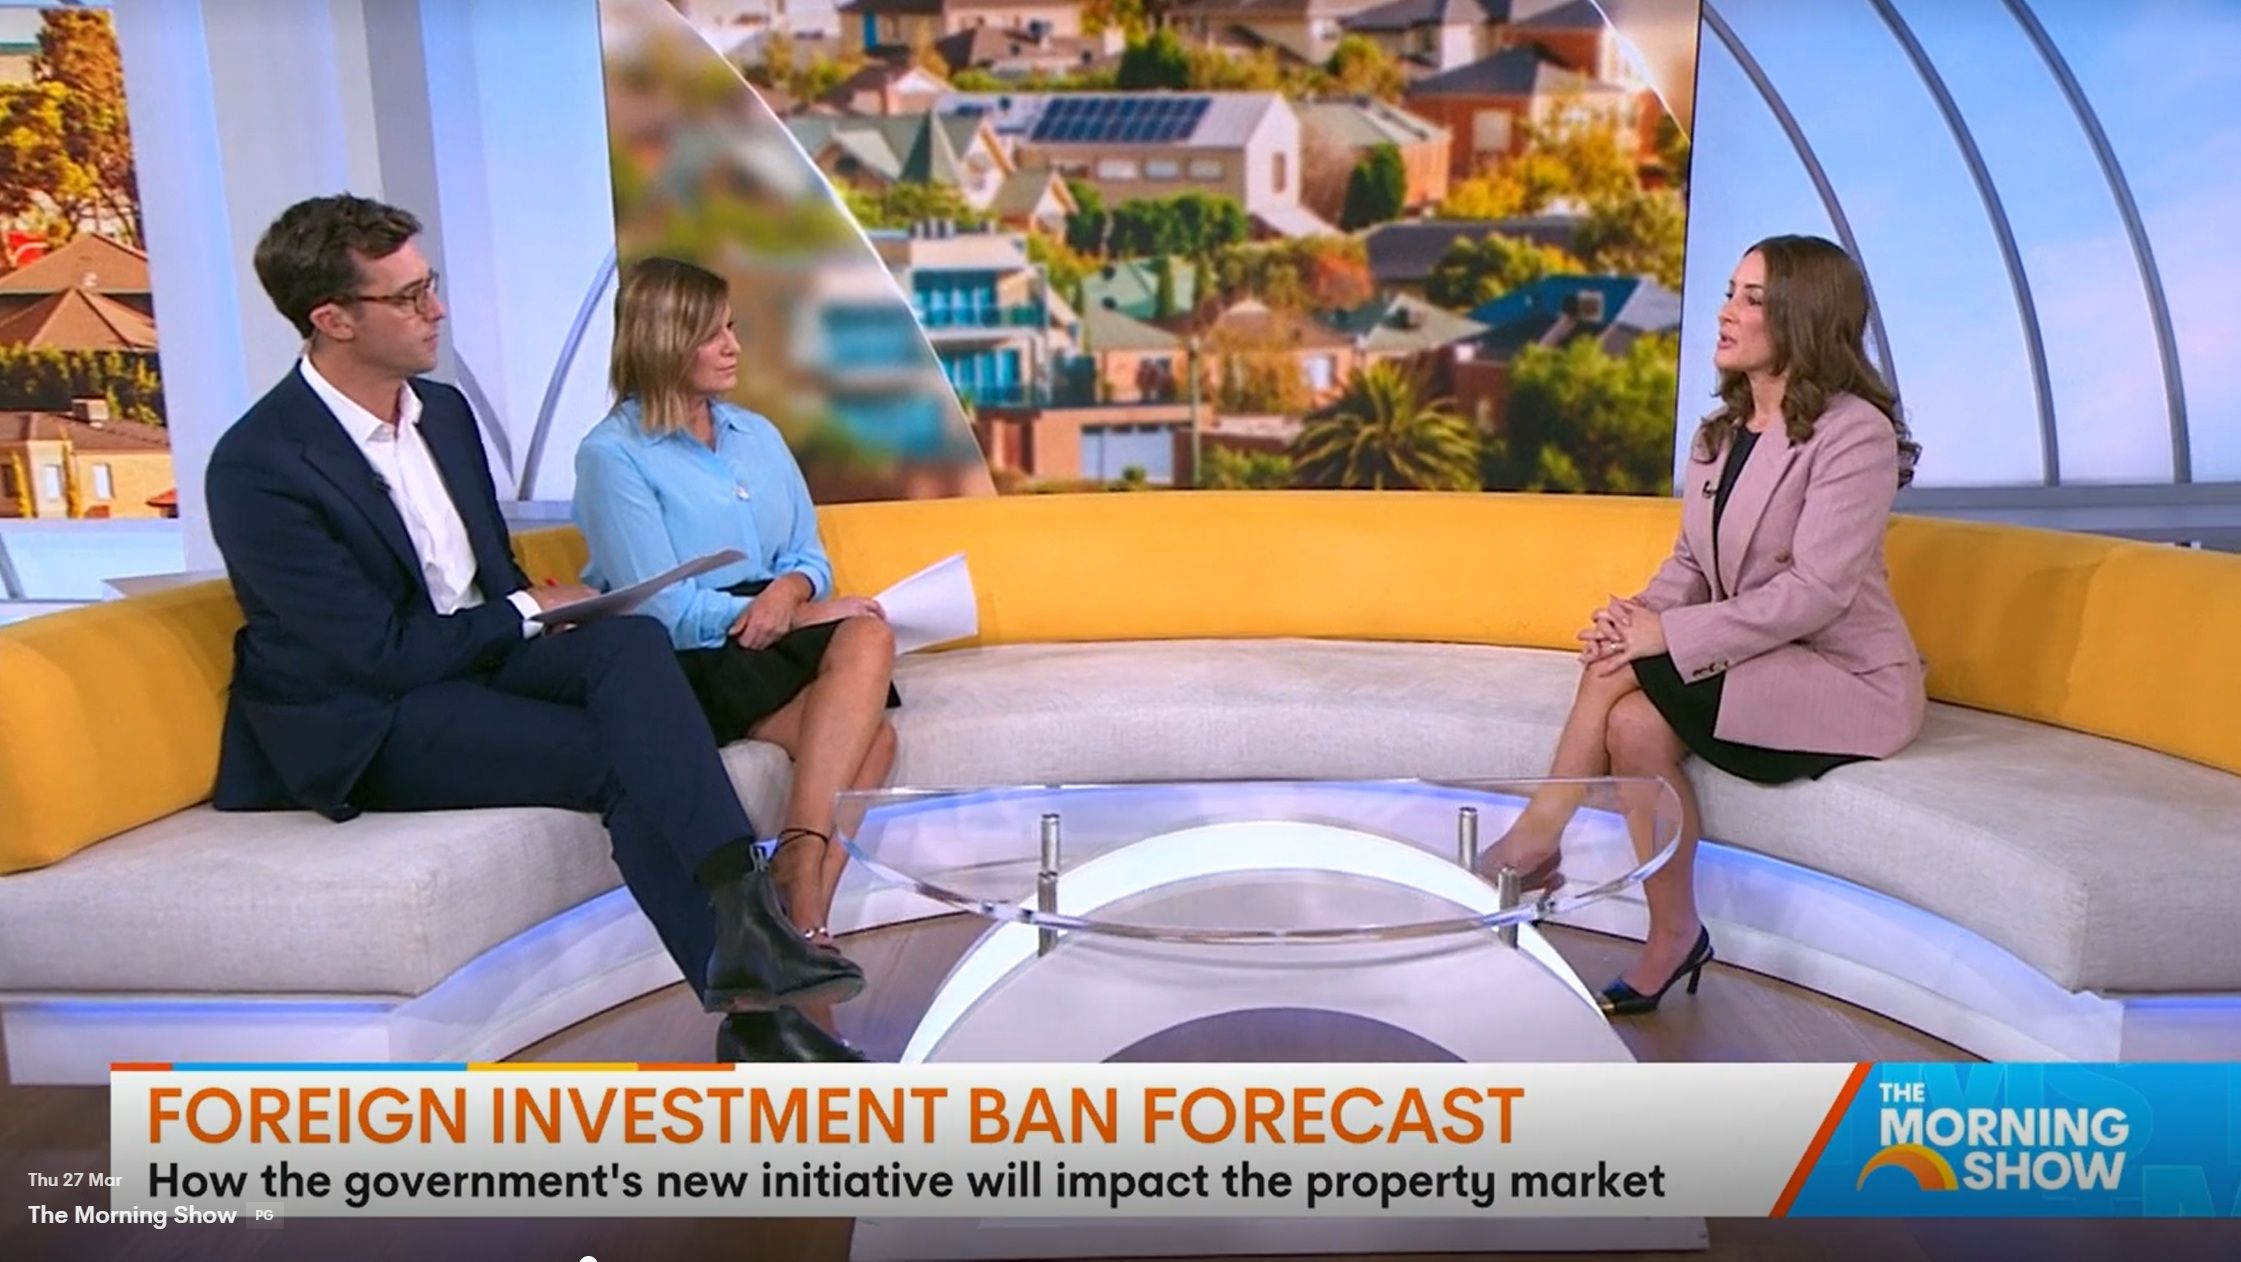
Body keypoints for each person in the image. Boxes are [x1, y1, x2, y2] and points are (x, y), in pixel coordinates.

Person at [205, 195, 862, 1064]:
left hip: (474, 662)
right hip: (369, 716)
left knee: (628, 644)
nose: (437, 309)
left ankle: (749, 935)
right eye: (408, 297)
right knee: (622, 760)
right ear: (333, 320)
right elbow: (376, 655)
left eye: (429, 284)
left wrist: (546, 613)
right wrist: (523, 613)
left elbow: (487, 575)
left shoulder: (442, 413)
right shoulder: (261, 464)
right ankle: (761, 1007)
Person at [1477, 234, 1925, 1016]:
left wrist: (1660, 639)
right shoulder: (1720, 432)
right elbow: (1690, 562)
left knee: (1622, 671)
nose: (1725, 313)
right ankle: (1674, 932)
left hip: (1842, 678)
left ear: (1802, 316)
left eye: (1752, 299)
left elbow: (1817, 591)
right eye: (1729, 292)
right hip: (1752, 657)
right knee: (1633, 727)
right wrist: (1634, 618)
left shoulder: (1854, 432)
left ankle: (1534, 838)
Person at [573, 257, 899, 967]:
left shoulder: (756, 434)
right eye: (712, 334)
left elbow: (807, 555)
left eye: (732, 329)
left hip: (771, 628)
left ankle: (798, 898)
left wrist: (791, 593)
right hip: (687, 655)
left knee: (869, 654)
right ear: (663, 341)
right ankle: (804, 905)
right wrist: (792, 616)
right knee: (871, 734)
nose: (733, 348)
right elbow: (662, 609)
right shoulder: (613, 455)